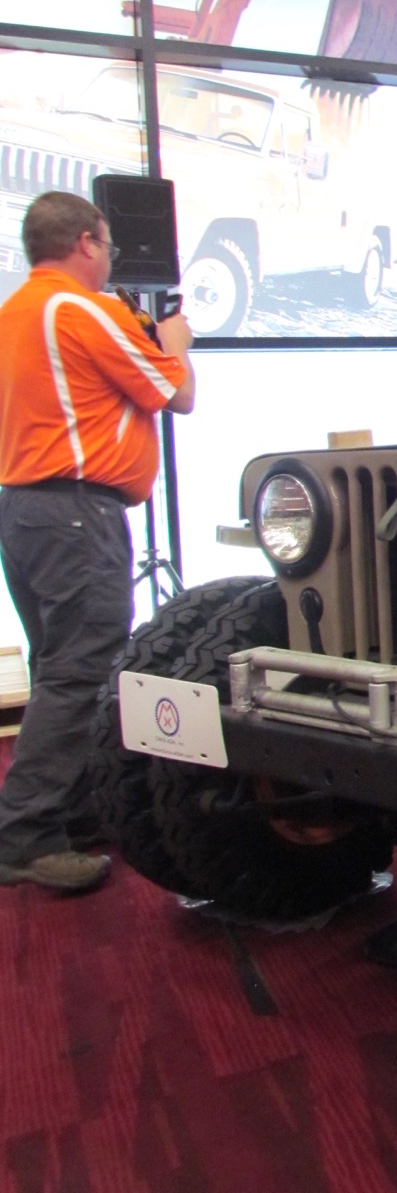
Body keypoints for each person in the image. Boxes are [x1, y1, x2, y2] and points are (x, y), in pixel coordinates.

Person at [0, 191, 195, 893]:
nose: (111, 255)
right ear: (84, 242)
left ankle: (71, 809)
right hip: (76, 513)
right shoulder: (80, 310)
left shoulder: (16, 312)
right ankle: (23, 836)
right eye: (107, 243)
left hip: (25, 513)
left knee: (61, 665)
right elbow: (173, 392)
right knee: (79, 671)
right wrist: (175, 343)